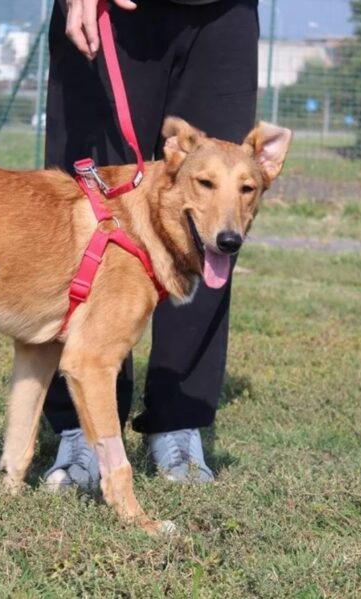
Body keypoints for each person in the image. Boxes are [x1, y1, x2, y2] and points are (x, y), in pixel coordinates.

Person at [42, 0, 260, 487]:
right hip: (112, 13)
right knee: (87, 202)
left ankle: (177, 421)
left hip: (222, 16)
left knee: (216, 204)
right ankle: (81, 425)